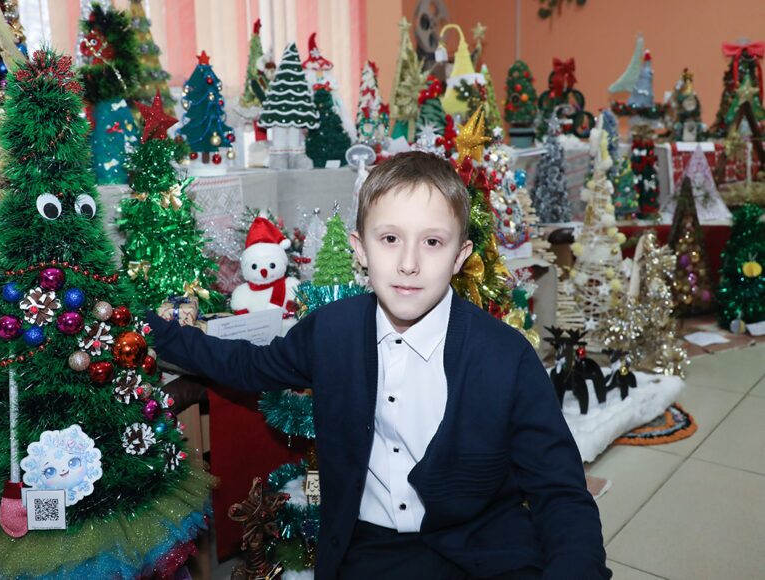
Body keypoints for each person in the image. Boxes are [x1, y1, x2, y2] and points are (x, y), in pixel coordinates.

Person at [146, 151, 610, 579]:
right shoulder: (332, 332)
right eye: (390, 239)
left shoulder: (505, 357)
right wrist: (155, 332)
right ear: (361, 248)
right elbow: (251, 365)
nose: (408, 263)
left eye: (432, 242)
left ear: (460, 258)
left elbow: (560, 492)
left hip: (484, 548)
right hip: (369, 550)